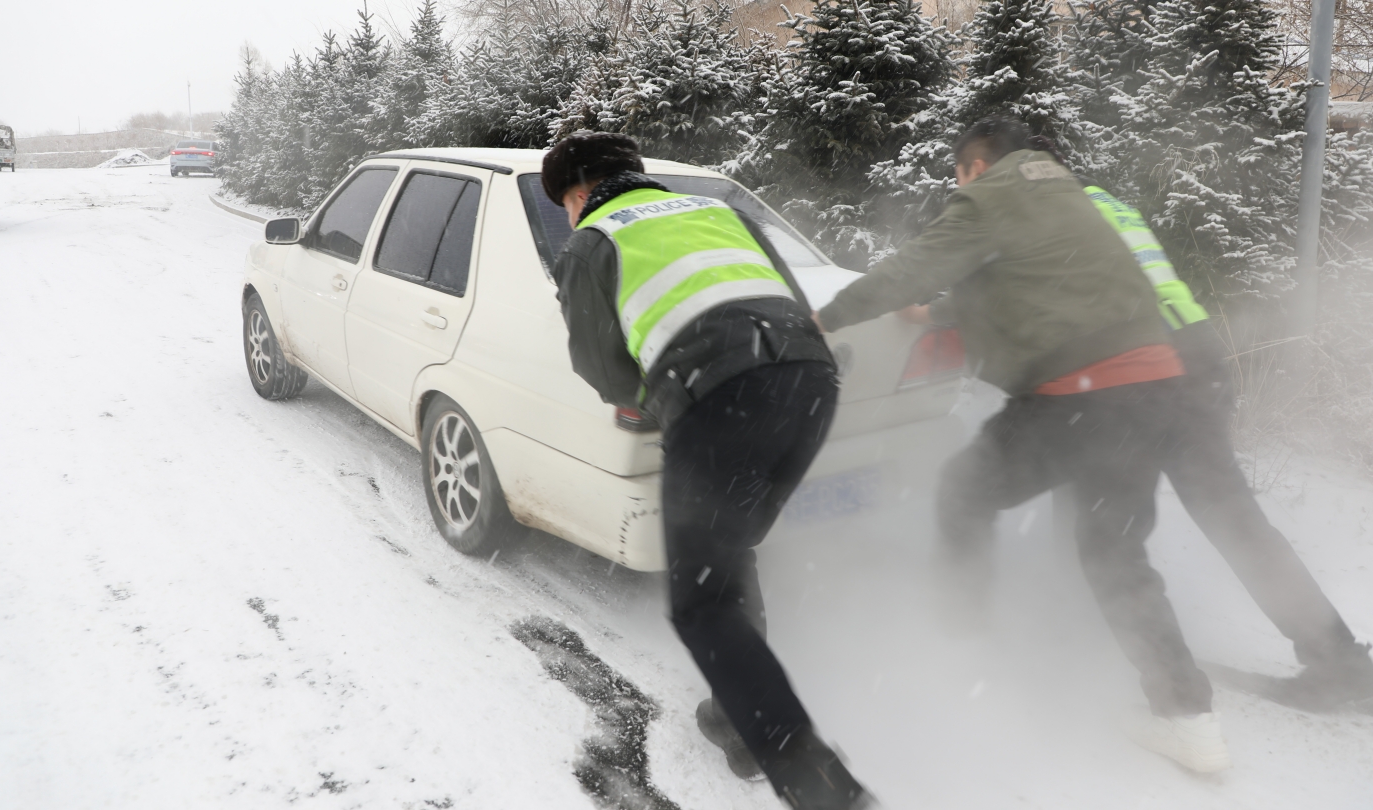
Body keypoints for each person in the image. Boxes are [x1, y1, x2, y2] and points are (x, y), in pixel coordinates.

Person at [813, 115, 1231, 773]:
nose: (958, 184)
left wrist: (821, 318)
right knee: (1116, 553)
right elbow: (1035, 285)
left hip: (1078, 394)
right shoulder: (1066, 195)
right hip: (1156, 387)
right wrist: (940, 313)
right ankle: (1189, 719)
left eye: (958, 174)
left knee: (962, 491)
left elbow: (912, 267)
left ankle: (960, 644)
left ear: (974, 165)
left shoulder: (991, 191)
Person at [542, 132, 874, 809]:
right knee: (728, 550)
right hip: (811, 384)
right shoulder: (722, 214)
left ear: (577, 196)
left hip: (718, 397)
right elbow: (786, 298)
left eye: (564, 206)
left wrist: (663, 395)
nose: (569, 217)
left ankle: (824, 792)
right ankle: (739, 724)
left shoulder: (591, 240)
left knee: (702, 600)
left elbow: (601, 369)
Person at [1074, 181, 1373, 711]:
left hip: (1138, 374)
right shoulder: (1108, 202)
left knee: (1108, 535)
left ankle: (1175, 701)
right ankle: (1340, 663)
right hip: (1197, 357)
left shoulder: (1041, 211)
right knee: (1235, 519)